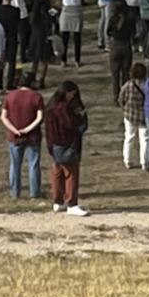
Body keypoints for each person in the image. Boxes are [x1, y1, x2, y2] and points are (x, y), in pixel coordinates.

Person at [46, 80, 90, 216]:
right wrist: (80, 117)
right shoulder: (64, 109)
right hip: (67, 143)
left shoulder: (51, 107)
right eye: (72, 93)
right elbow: (71, 125)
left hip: (55, 144)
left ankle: (58, 201)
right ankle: (71, 203)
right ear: (66, 93)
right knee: (71, 174)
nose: (73, 96)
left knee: (57, 173)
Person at [0, 76, 45, 199]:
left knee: (14, 165)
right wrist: (27, 129)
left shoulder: (10, 96)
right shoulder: (36, 96)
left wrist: (14, 130)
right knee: (33, 164)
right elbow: (40, 117)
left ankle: (15, 193)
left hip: (14, 136)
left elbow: (3, 117)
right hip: (33, 136)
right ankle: (35, 193)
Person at [119, 62, 149, 170]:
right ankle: (144, 162)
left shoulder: (128, 84)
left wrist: (125, 109)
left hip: (130, 114)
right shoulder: (147, 85)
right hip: (143, 115)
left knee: (129, 138)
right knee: (144, 139)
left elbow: (121, 98)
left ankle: (127, 160)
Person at [58, 0, 85, 67]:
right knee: (77, 39)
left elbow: (61, 2)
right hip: (76, 12)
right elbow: (82, 1)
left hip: (66, 13)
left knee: (64, 39)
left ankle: (63, 60)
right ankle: (77, 60)